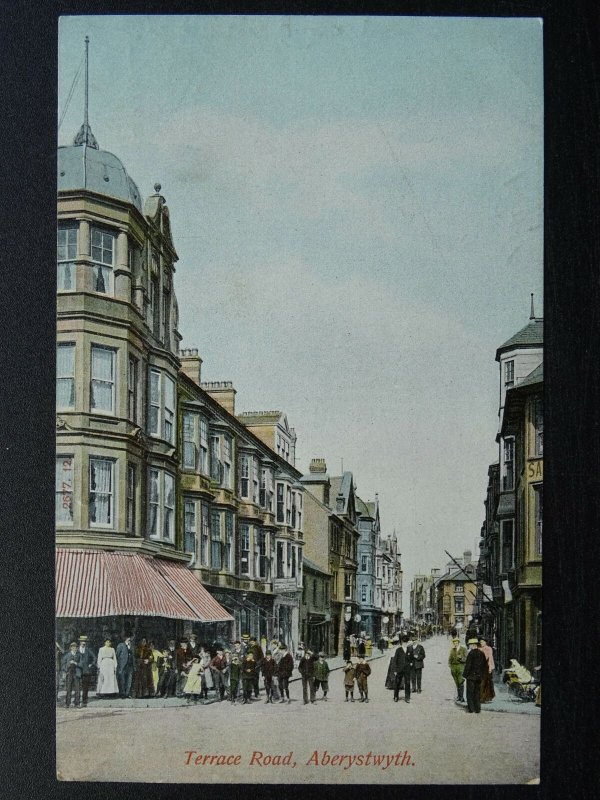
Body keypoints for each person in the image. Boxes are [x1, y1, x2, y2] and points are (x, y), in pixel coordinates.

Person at [463, 637, 489, 713]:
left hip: (471, 677)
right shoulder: (481, 653)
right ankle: (477, 708)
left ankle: (471, 709)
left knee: (470, 693)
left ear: (473, 645)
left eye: (470, 645)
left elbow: (468, 665)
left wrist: (465, 675)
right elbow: (484, 665)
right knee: (477, 692)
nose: (469, 646)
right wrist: (481, 674)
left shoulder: (471, 654)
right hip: (478, 677)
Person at [76, 635, 96, 707]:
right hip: (77, 670)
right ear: (80, 642)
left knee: (85, 686)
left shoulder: (88, 650)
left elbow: (94, 657)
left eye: (84, 641)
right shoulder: (76, 649)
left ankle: (84, 701)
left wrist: (91, 664)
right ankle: (77, 701)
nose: (83, 643)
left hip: (86, 671)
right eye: (82, 641)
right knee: (77, 686)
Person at [393, 635, 413, 703]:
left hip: (407, 669)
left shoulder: (409, 649)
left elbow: (412, 658)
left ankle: (407, 697)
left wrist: (411, 663)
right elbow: (395, 660)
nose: (405, 643)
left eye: (406, 642)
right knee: (397, 683)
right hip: (399, 669)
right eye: (404, 642)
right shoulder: (398, 650)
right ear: (401, 642)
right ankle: (396, 696)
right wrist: (395, 670)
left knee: (407, 683)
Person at [448, 636, 468, 703]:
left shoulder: (463, 649)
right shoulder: (452, 650)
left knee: (461, 681)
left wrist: (461, 658)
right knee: (456, 682)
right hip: (454, 667)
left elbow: (466, 659)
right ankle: (459, 697)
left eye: (456, 642)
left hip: (461, 666)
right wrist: (450, 666)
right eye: (454, 642)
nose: (455, 644)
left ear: (459, 642)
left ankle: (462, 697)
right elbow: (450, 659)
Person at [62, 642, 81, 708]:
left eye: (75, 647)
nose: (74, 648)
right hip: (69, 673)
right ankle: (67, 703)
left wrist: (76, 663)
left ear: (77, 648)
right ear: (70, 648)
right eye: (73, 647)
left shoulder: (79, 655)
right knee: (68, 688)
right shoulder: (67, 655)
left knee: (77, 689)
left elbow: (82, 664)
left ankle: (77, 703)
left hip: (76, 673)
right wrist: (67, 666)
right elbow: (63, 664)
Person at [478, 637, 495, 703]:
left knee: (486, 683)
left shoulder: (489, 649)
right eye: (480, 642)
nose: (481, 643)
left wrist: (490, 668)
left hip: (487, 667)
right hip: (480, 668)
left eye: (482, 642)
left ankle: (485, 697)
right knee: (481, 682)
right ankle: (481, 697)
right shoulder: (479, 649)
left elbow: (490, 658)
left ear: (485, 642)